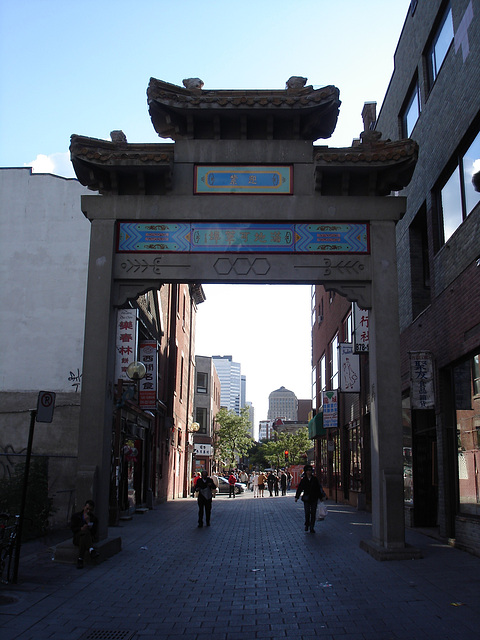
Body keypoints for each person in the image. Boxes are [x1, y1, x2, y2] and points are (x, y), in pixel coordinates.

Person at [294, 465, 326, 533]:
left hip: (314, 498)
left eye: (310, 470)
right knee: (307, 512)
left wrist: (320, 497)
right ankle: (307, 524)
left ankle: (312, 527)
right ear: (306, 471)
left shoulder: (314, 479)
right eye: (308, 470)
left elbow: (318, 489)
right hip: (306, 498)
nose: (309, 472)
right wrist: (297, 497)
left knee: (313, 513)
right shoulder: (304, 480)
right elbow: (300, 488)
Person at [71, 499, 99, 569]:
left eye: (90, 510)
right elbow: (73, 528)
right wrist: (80, 529)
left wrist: (88, 522)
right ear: (84, 507)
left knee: (84, 537)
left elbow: (94, 532)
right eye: (87, 509)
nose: (88, 511)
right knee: (84, 533)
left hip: (87, 538)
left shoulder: (94, 519)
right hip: (77, 536)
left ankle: (80, 559)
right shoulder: (76, 516)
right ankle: (91, 550)